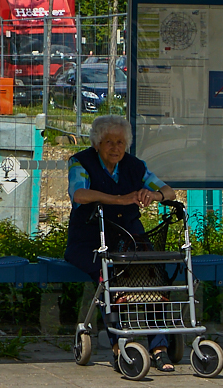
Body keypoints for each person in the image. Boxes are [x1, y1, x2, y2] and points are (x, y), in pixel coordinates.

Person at [65, 115, 177, 369]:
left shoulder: (135, 166)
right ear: (97, 144)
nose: (115, 148)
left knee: (154, 278)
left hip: (129, 241)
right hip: (90, 241)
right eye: (109, 142)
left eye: (120, 142)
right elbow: (79, 194)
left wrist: (153, 194)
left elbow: (168, 191)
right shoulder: (80, 162)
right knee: (110, 280)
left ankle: (159, 347)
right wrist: (121, 199)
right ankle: (119, 345)